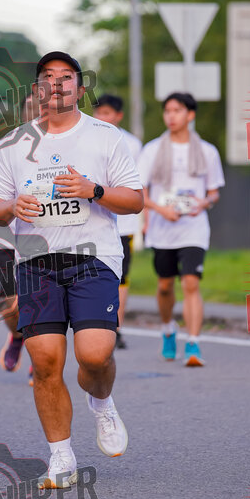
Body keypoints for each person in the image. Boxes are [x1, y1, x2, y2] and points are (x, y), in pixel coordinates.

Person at [0, 52, 143, 488]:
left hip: (94, 257)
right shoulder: (13, 144)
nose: (57, 84)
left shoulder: (105, 136)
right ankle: (61, 458)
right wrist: (11, 206)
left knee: (94, 355)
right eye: (48, 77)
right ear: (37, 89)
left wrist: (94, 190)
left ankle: (102, 402)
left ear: (80, 87)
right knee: (46, 362)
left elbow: (135, 200)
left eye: (66, 77)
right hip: (36, 262)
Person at [138, 93, 224, 366]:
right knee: (165, 286)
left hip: (193, 228)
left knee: (190, 282)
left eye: (177, 110)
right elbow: (140, 192)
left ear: (190, 114)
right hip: (163, 229)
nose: (171, 116)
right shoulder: (152, 150)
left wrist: (204, 203)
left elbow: (213, 192)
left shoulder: (207, 151)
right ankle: (168, 330)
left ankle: (194, 344)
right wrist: (160, 210)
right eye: (167, 111)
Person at [0, 93, 39, 384]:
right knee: (10, 303)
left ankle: (40, 360)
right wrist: (8, 196)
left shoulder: (62, 145)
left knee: (40, 300)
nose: (35, 110)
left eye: (39, 105)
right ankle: (16, 336)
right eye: (29, 106)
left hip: (42, 237)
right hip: (6, 235)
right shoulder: (5, 145)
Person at [93, 94, 142, 349]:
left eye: (107, 113)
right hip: (94, 221)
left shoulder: (132, 144)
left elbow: (138, 186)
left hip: (123, 223)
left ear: (119, 116)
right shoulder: (86, 140)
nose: (102, 118)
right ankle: (94, 326)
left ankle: (116, 328)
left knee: (120, 277)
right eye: (98, 113)